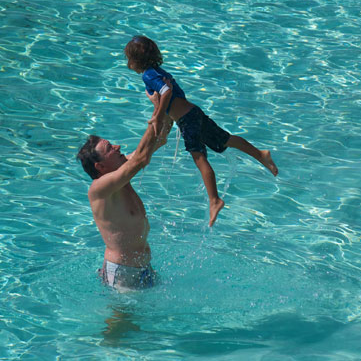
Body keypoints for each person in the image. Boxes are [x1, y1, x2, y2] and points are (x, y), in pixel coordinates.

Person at [124, 35, 278, 226]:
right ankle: (261, 154)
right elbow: (174, 94)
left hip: (187, 120)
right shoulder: (159, 71)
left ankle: (214, 200)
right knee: (226, 139)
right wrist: (162, 113)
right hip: (193, 112)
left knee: (200, 159)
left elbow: (166, 92)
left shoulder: (148, 75)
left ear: (134, 60)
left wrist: (157, 114)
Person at [77, 99, 167, 291]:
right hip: (122, 272)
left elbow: (160, 138)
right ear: (100, 166)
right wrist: (158, 110)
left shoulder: (121, 169)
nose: (117, 147)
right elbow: (141, 158)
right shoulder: (99, 189)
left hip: (143, 267)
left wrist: (167, 103)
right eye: (110, 149)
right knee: (121, 322)